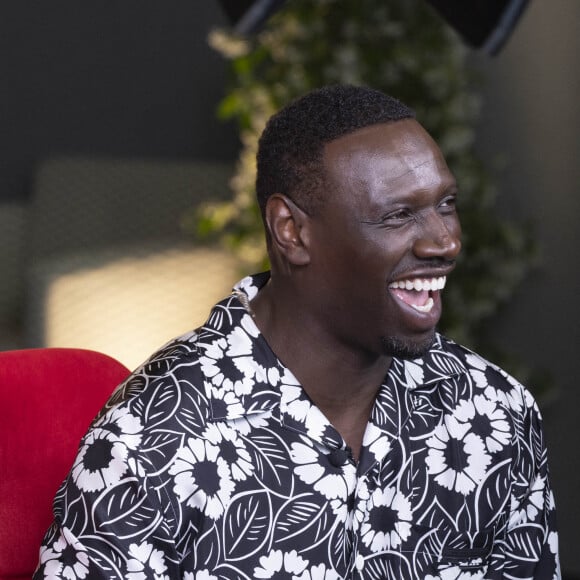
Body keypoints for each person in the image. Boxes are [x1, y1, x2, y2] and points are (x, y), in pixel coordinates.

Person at [34, 85, 559, 579]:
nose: (445, 242)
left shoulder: (494, 411)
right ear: (292, 231)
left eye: (446, 204)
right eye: (398, 216)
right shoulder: (155, 436)